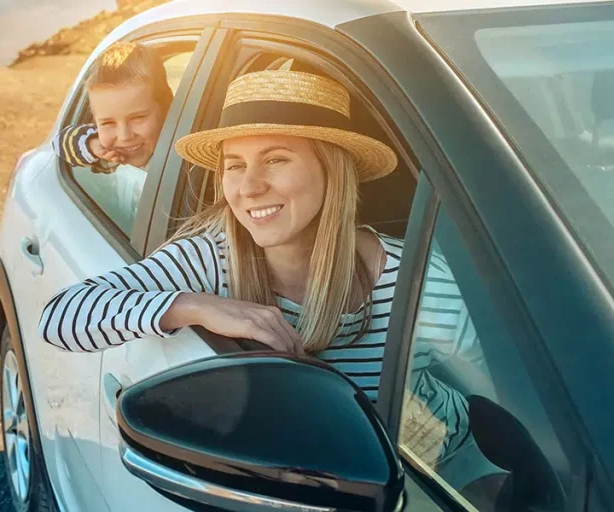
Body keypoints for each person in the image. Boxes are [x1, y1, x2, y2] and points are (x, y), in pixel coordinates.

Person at [38, 69, 502, 487]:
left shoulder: (415, 281)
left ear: (332, 168)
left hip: (442, 472)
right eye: (234, 165)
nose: (249, 186)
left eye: (276, 159)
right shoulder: (210, 260)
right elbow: (60, 316)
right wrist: (199, 306)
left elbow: (503, 391)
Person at [51, 41, 173, 173]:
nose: (124, 136)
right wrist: (93, 145)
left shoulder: (180, 144)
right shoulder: (109, 155)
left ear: (166, 108)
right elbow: (59, 142)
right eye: (108, 122)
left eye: (138, 118)